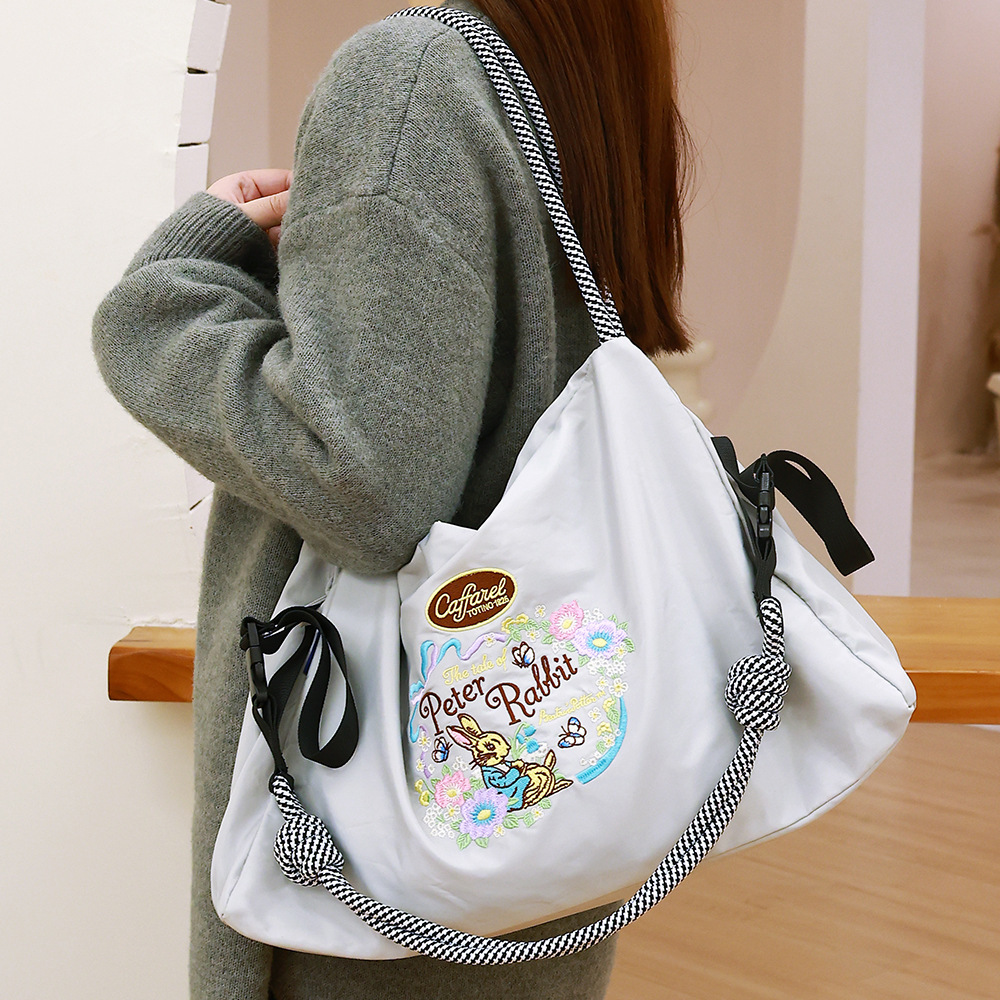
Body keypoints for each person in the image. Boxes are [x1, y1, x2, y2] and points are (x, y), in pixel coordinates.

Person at [92, 0, 689, 997]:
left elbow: (363, 484)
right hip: (528, 794)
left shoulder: (408, 78)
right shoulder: (584, 78)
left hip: (373, 855)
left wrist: (170, 293)